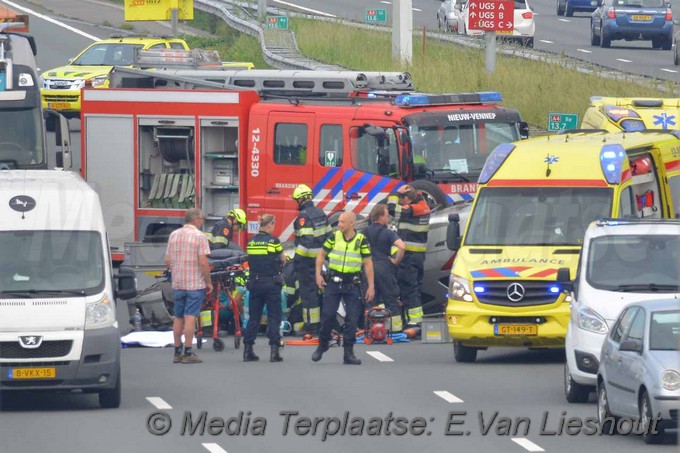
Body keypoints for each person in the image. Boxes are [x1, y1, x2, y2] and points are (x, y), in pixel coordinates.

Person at [312, 211, 374, 365]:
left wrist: (371, 286)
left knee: (352, 319)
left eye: (342, 222)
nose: (339, 225)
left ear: (352, 223)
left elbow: (368, 263)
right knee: (328, 315)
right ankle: (323, 344)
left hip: (352, 284)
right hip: (334, 282)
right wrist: (318, 275)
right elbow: (321, 256)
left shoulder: (361, 240)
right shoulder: (334, 237)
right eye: (339, 221)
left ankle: (348, 352)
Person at [164, 208, 213, 364]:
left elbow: (167, 260)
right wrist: (208, 282)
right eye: (202, 219)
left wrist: (175, 272)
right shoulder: (200, 237)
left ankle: (177, 352)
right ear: (196, 219)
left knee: (178, 317)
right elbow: (204, 262)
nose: (202, 222)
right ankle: (188, 352)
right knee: (190, 316)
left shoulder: (174, 235)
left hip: (178, 283)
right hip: (194, 283)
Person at [243, 214, 287, 363]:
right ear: (269, 225)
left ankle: (247, 350)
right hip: (271, 284)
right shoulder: (273, 242)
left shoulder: (251, 242)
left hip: (255, 283)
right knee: (274, 317)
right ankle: (274, 352)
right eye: (273, 225)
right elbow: (282, 259)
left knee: (253, 318)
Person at [387, 185, 431, 327]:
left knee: (409, 289)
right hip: (419, 255)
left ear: (408, 198)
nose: (401, 202)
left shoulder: (412, 209)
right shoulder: (423, 205)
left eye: (402, 199)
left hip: (409, 256)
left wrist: (395, 193)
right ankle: (414, 320)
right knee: (415, 288)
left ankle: (414, 323)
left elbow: (392, 209)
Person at [292, 184, 331, 335]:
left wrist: (297, 259)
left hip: (308, 263)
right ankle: (321, 324)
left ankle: (310, 326)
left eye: (297, 200)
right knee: (321, 293)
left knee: (308, 296)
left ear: (301, 199)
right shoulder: (321, 213)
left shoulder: (303, 217)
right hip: (321, 262)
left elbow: (306, 241)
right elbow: (329, 237)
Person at [363, 204, 406, 332]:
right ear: (381, 217)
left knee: (370, 299)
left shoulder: (363, 232)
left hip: (367, 269)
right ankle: (395, 329)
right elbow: (402, 246)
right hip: (384, 268)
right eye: (386, 216)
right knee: (390, 298)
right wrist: (396, 260)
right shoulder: (388, 233)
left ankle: (370, 329)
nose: (387, 219)